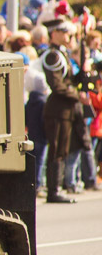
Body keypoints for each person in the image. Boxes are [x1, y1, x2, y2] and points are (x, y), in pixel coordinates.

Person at [41, 19, 82, 203]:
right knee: (56, 150)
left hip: (66, 110)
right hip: (58, 109)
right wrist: (77, 95)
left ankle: (58, 187)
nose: (68, 37)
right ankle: (54, 190)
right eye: (64, 32)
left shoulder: (62, 54)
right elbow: (58, 85)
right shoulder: (52, 56)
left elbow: (71, 80)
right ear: (54, 33)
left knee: (63, 150)